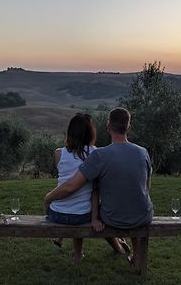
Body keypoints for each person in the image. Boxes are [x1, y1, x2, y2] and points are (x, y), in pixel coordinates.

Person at [45, 107, 153, 272]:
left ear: (108, 126)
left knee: (99, 208)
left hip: (113, 218)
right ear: (129, 127)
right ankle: (135, 255)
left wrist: (49, 198)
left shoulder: (100, 155)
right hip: (143, 214)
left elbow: (71, 186)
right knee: (132, 205)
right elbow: (146, 187)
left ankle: (110, 248)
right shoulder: (143, 152)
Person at [48, 113, 127, 263]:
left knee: (76, 206)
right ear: (90, 133)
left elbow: (65, 182)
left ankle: (69, 245)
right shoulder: (96, 153)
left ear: (70, 132)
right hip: (81, 216)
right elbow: (95, 189)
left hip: (56, 213)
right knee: (99, 211)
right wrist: (94, 217)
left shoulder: (58, 153)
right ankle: (117, 247)